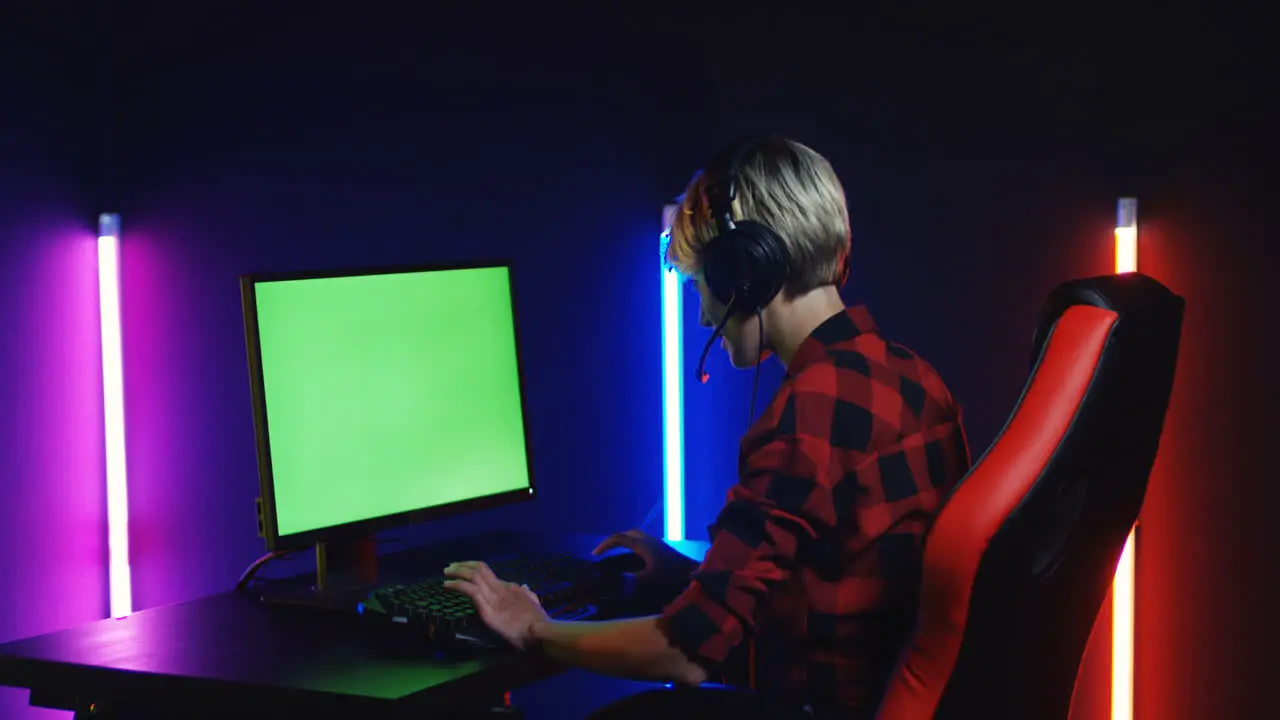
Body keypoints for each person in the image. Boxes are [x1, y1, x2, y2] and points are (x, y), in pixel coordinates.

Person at [444, 136, 971, 718]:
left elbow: (684, 653)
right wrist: (691, 577)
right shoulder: (914, 378)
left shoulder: (814, 410)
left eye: (701, 284)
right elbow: (835, 584)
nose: (699, 314)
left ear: (743, 272)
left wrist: (534, 628)